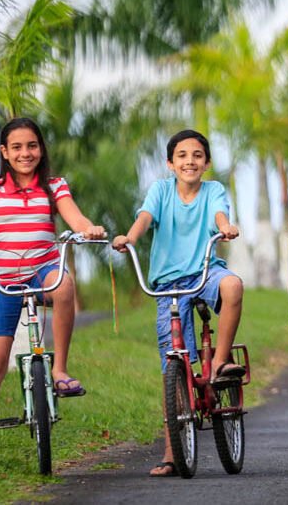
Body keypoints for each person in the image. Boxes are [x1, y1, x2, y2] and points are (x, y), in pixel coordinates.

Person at [0, 117, 105, 462]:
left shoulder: (54, 186)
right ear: (5, 152)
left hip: (42, 271)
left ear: (41, 149)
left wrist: (88, 229)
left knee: (64, 285)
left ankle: (59, 371)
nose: (25, 153)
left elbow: (75, 218)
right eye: (16, 147)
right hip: (3, 281)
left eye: (32, 145)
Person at [112, 129, 244, 477]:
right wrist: (130, 237)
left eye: (197, 155)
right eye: (182, 155)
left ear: (207, 162)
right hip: (169, 284)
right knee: (172, 365)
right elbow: (145, 219)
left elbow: (219, 215)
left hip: (204, 272)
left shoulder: (213, 190)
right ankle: (172, 453)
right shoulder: (160, 190)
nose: (190, 161)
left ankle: (218, 364)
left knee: (233, 286)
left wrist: (226, 226)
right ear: (170, 163)